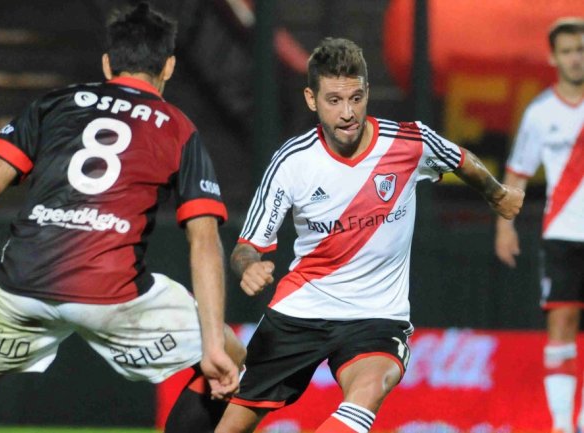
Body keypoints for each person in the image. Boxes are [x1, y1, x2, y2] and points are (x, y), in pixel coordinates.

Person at [0, 3, 243, 433]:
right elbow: (204, 240)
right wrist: (211, 343)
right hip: (112, 292)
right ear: (168, 67)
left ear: (106, 63)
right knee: (233, 357)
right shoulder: (177, 127)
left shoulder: (53, 103)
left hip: (20, 283)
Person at [214, 37, 525, 433]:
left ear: (367, 93)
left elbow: (461, 160)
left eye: (356, 98)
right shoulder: (293, 162)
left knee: (370, 387)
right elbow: (247, 246)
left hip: (376, 317)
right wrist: (248, 267)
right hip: (302, 310)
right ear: (312, 100)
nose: (348, 113)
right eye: (334, 101)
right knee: (233, 423)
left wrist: (497, 193)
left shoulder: (409, 142)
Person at [494, 17, 584, 433]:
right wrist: (504, 228)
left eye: (581, 50)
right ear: (553, 57)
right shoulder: (540, 113)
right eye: (567, 51)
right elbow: (516, 176)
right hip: (562, 234)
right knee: (560, 325)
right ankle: (563, 424)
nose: (575, 58)